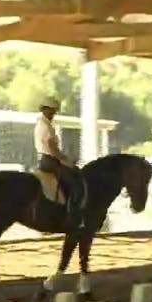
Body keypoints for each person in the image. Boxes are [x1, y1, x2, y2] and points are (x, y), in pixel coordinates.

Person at [34, 97, 84, 227]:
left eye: (54, 111)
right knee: (74, 182)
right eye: (51, 111)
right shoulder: (46, 126)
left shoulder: (43, 123)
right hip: (49, 160)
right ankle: (72, 215)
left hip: (46, 159)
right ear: (44, 110)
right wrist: (67, 161)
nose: (53, 114)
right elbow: (53, 149)